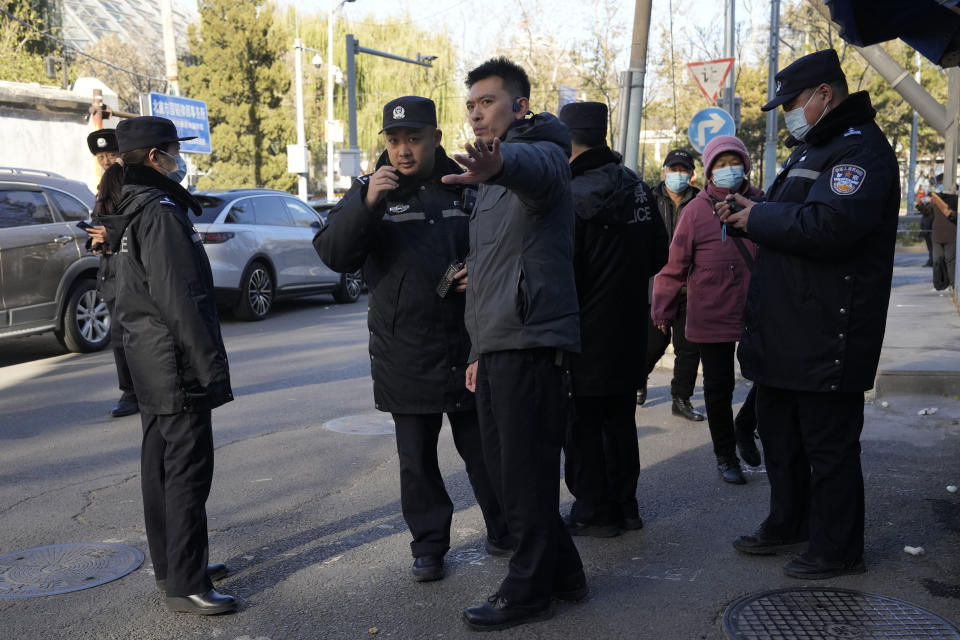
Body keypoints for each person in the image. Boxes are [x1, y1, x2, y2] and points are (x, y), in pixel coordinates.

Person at [718, 49, 900, 579]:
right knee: (781, 436)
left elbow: (829, 225)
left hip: (829, 330)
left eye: (793, 102)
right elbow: (790, 216)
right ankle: (788, 521)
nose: (788, 113)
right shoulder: (813, 148)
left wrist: (758, 217)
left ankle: (838, 548)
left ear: (826, 93)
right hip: (787, 327)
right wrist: (751, 216)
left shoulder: (861, 150)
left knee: (829, 446)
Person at [313, 96, 510, 583]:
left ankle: (505, 529)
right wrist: (367, 204)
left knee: (485, 450)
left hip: (469, 343)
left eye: (414, 139)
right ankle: (429, 547)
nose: (403, 150)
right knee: (416, 461)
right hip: (405, 350)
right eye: (394, 140)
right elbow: (333, 254)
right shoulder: (371, 191)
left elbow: (508, 244)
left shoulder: (466, 183)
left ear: (435, 138)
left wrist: (480, 271)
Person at [442, 57, 586, 631]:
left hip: (531, 339)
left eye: (489, 102)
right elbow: (490, 269)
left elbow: (538, 171)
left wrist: (503, 164)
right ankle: (566, 574)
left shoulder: (542, 151)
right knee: (511, 473)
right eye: (472, 104)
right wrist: (478, 349)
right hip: (499, 341)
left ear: (520, 106)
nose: (477, 113)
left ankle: (527, 591)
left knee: (523, 476)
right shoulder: (489, 180)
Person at [99, 116, 234, 614]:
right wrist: (210, 369)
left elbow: (118, 295)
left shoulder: (127, 210)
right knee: (186, 472)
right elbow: (183, 298)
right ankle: (186, 581)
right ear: (156, 157)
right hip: (174, 364)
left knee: (160, 469)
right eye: (176, 149)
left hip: (149, 361)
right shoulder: (158, 212)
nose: (181, 159)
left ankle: (176, 566)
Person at [556, 101, 667, 536]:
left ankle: (593, 509)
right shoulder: (634, 184)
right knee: (620, 421)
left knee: (583, 425)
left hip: (584, 331)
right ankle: (626, 505)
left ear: (567, 140)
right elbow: (659, 252)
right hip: (627, 328)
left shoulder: (572, 193)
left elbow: (562, 268)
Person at [652, 135, 763, 485]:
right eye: (720, 164)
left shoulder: (761, 202)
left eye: (734, 162)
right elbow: (674, 266)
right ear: (710, 170)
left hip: (757, 309)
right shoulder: (696, 211)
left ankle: (745, 426)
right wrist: (663, 311)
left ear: (745, 164)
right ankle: (725, 454)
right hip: (711, 310)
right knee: (718, 387)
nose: (728, 169)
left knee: (771, 378)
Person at [640, 148, 705, 422]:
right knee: (652, 343)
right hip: (656, 283)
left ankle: (681, 398)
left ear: (691, 175)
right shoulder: (649, 198)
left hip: (691, 286)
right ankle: (637, 379)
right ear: (664, 171)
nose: (677, 174)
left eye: (683, 170)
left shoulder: (702, 201)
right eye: (673, 169)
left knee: (689, 348)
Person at [85, 128, 139, 418]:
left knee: (134, 333)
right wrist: (95, 239)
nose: (106, 161)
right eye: (101, 156)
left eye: (112, 154)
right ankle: (130, 391)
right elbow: (99, 221)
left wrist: (112, 232)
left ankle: (143, 390)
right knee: (119, 336)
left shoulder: (136, 180)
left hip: (132, 266)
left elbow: (141, 219)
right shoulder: (103, 184)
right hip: (110, 268)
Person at [923, 174, 958, 289]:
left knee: (950, 260)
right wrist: (920, 205)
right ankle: (939, 283)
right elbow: (927, 213)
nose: (940, 185)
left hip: (951, 234)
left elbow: (955, 216)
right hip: (937, 235)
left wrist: (951, 213)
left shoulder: (955, 198)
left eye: (941, 182)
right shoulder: (935, 199)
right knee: (937, 260)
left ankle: (952, 283)